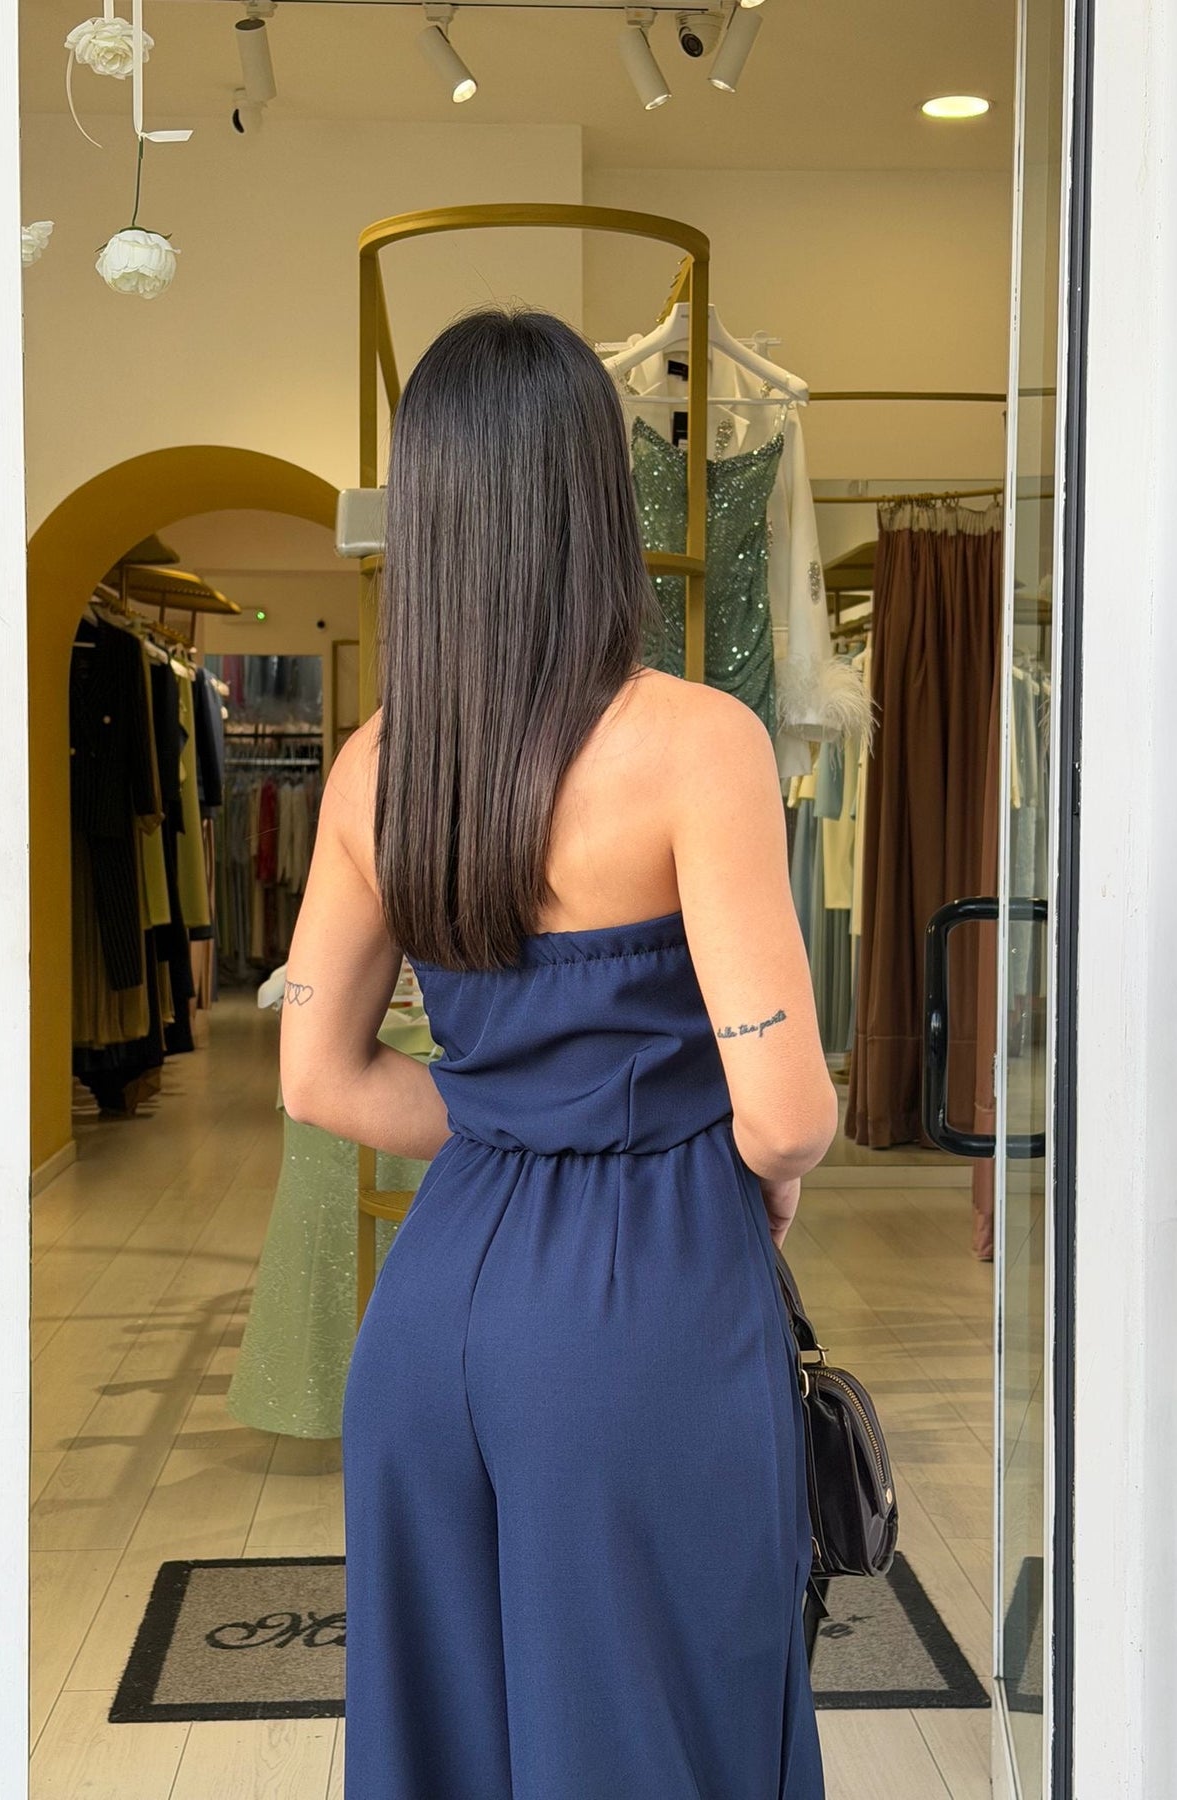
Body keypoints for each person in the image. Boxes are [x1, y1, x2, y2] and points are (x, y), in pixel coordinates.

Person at [279, 308, 838, 1800]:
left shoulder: (375, 767)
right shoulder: (696, 742)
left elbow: (317, 1078)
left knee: (449, 1749)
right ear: (600, 495)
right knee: (655, 1736)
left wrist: (519, 1128)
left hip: (431, 1321)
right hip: (645, 1298)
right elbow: (786, 1116)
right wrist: (712, 1164)